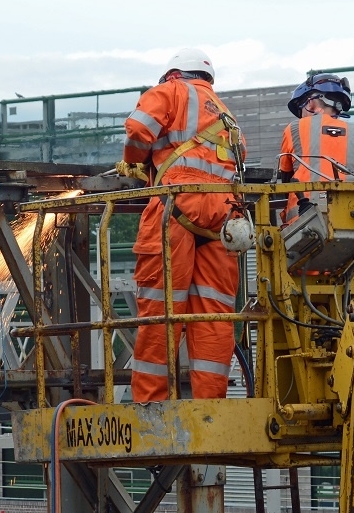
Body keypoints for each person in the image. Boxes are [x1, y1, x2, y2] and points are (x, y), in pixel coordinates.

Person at [120, 48, 246, 402]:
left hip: (175, 204)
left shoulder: (171, 91)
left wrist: (134, 161)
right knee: (214, 317)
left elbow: (138, 129)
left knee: (161, 310)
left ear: (173, 73)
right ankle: (211, 406)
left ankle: (150, 403)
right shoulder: (226, 115)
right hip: (223, 219)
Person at [278, 73, 354, 226]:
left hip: (304, 223)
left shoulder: (295, 129)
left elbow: (285, 178)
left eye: (300, 109)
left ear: (310, 103)